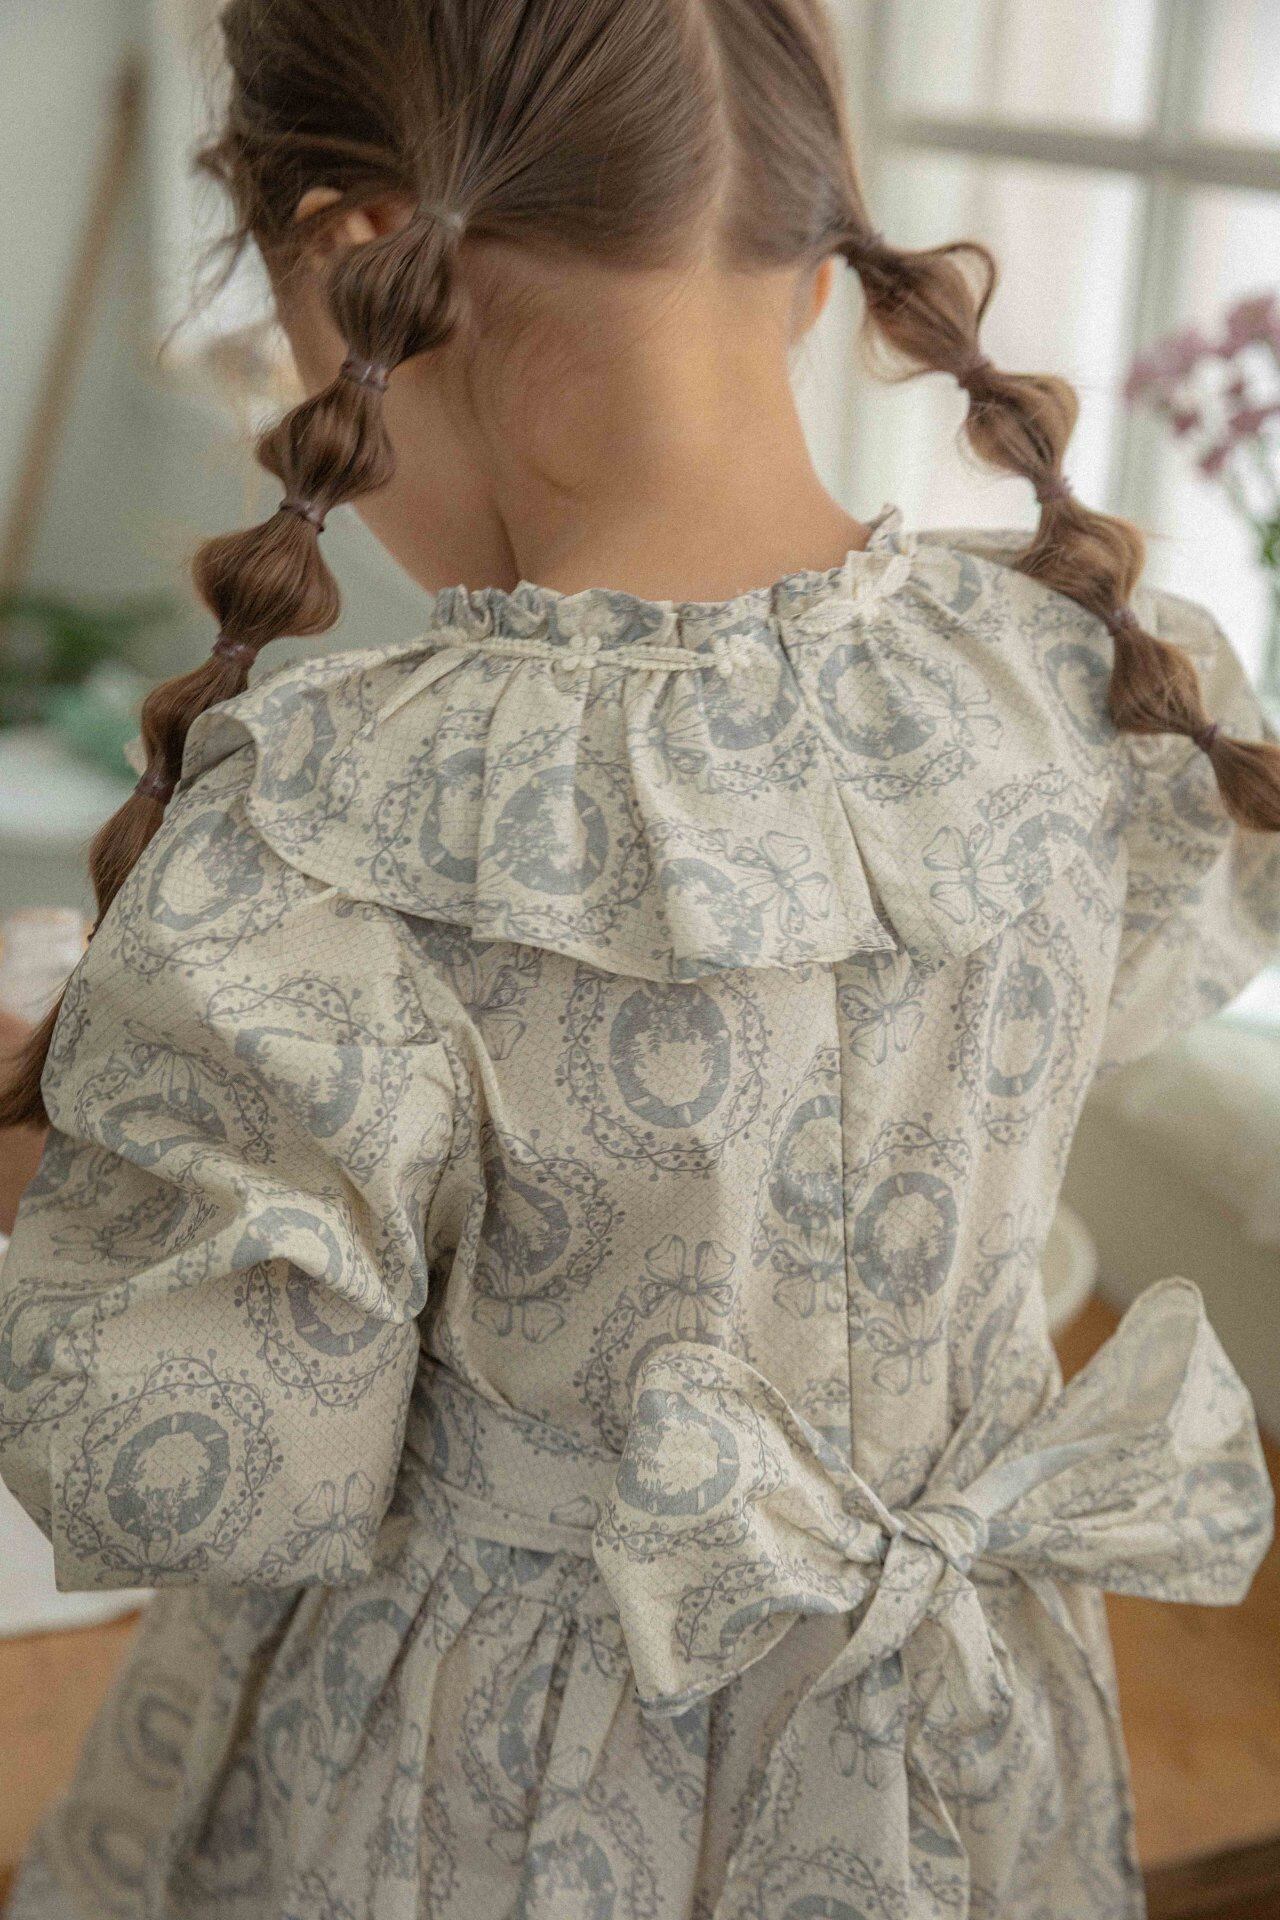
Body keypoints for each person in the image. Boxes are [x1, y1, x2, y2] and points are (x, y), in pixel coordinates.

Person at [2, 3, 1279, 1915]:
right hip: (965, 1744)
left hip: (486, 1791)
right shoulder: (1094, 681)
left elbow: (222, 1462)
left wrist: (62, 1159)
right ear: (813, 261)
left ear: (359, 258)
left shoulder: (344, 823)